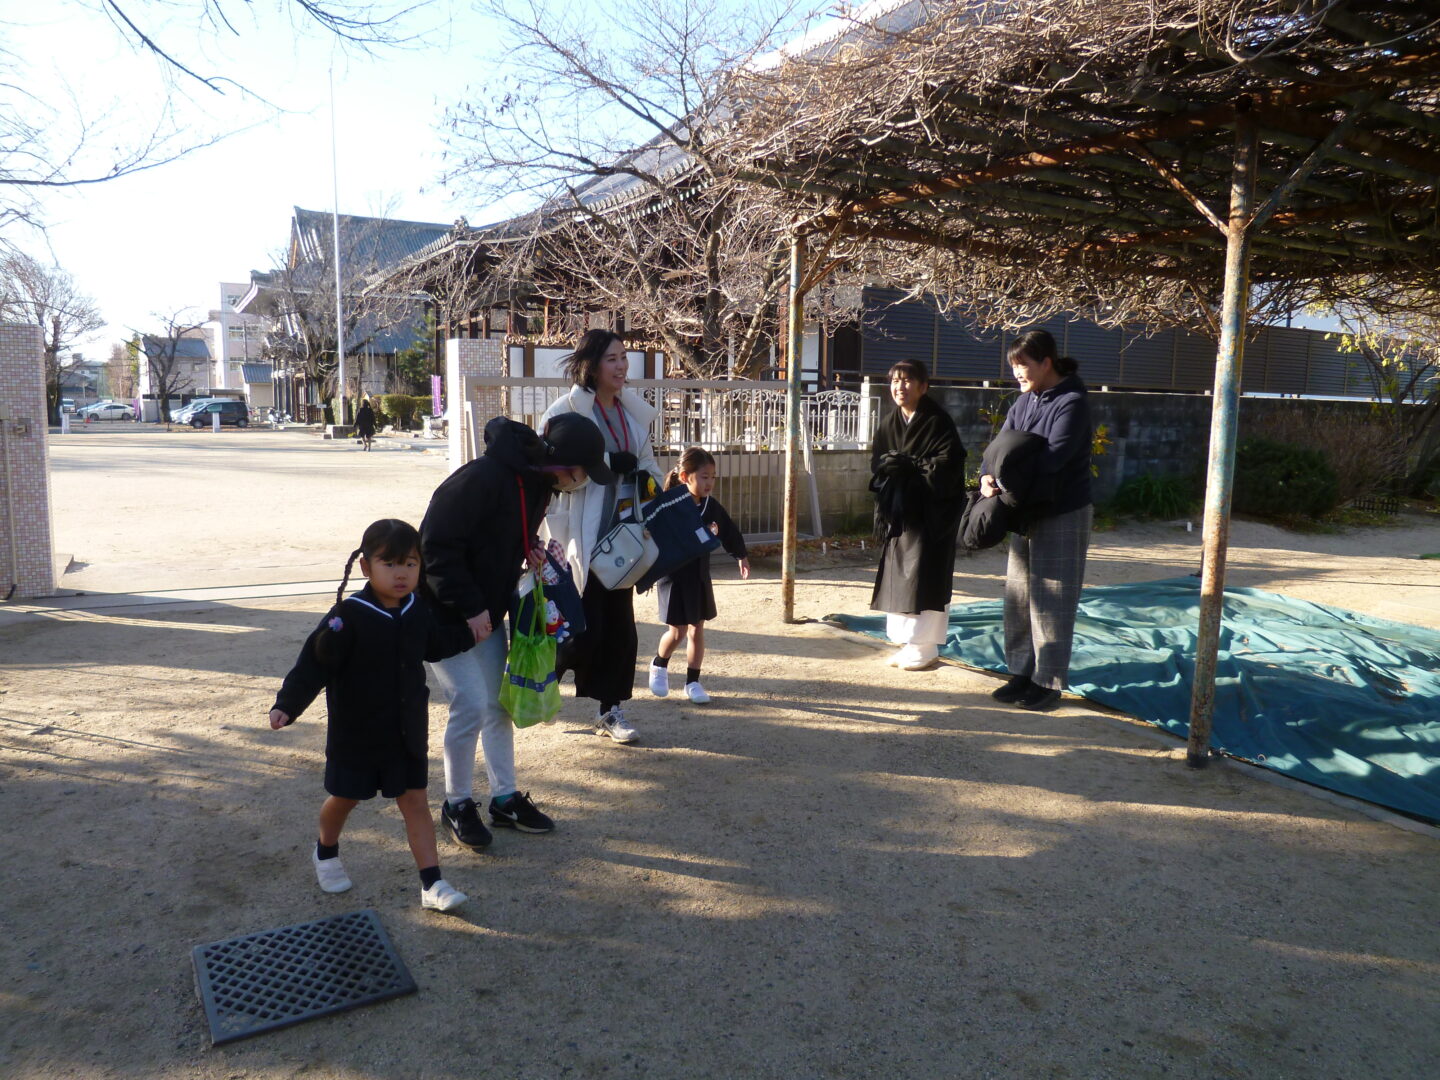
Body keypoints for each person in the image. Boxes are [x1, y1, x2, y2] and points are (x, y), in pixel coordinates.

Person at [421, 412, 615, 850]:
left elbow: (499, 537)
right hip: (442, 611)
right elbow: (434, 544)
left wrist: (524, 550)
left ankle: (504, 797)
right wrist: (469, 607)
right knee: (469, 704)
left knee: (499, 704)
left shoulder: (538, 485)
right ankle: (457, 803)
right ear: (561, 463)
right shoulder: (483, 477)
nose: (582, 482)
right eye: (583, 471)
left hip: (487, 611)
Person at [268, 519, 473, 912]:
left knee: (414, 801)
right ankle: (325, 851)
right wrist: (287, 705)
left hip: (406, 731)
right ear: (366, 566)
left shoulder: (418, 608)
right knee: (344, 798)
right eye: (389, 563)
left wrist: (472, 631)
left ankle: (432, 884)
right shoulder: (348, 615)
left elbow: (435, 645)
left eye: (410, 564)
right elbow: (314, 663)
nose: (401, 573)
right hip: (357, 733)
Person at [540, 329, 660, 745]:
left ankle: (611, 710)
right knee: (577, 629)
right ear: (591, 365)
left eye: (624, 357)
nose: (622, 366)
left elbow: (649, 464)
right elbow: (552, 473)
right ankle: (545, 685)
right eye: (612, 358)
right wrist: (607, 462)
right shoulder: (566, 410)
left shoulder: (633, 415)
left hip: (623, 539)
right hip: (580, 537)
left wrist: (648, 481)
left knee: (620, 630)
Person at [981, 329, 1093, 711]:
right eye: (1014, 367)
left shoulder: (1072, 401)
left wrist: (1006, 476)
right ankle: (1021, 672)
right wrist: (986, 475)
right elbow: (998, 447)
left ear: (1046, 363)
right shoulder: (1024, 401)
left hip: (1062, 510)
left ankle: (1049, 683)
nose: (1017, 373)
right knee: (1019, 597)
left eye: (1023, 365)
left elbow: (1053, 459)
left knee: (1053, 600)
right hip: (1024, 508)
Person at [869, 359, 967, 671]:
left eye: (908, 381)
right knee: (899, 577)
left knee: (925, 577)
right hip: (900, 513)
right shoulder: (889, 423)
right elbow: (877, 461)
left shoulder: (937, 421)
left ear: (923, 387)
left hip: (931, 515)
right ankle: (907, 642)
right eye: (895, 380)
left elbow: (949, 465)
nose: (900, 387)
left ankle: (925, 647)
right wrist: (889, 467)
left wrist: (911, 467)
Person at [647, 447, 750, 704]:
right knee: (677, 632)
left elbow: (728, 530)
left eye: (713, 477)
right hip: (673, 578)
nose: (710, 482)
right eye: (704, 476)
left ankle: (693, 682)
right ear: (685, 476)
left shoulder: (710, 506)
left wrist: (740, 555)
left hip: (699, 576)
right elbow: (656, 536)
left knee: (697, 629)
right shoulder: (669, 505)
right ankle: (659, 664)